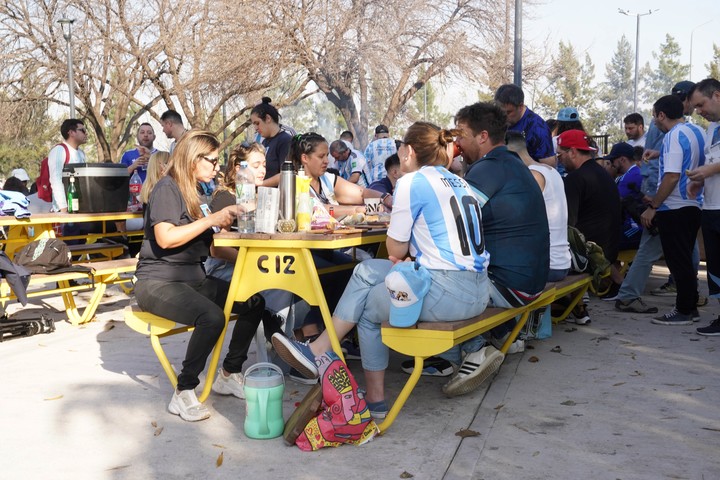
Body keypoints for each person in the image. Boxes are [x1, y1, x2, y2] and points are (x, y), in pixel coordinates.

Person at [271, 122, 492, 418]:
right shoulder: (459, 181)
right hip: (479, 289)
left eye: (400, 146)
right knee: (363, 271)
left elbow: (395, 251)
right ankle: (320, 349)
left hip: (448, 294)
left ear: (409, 151)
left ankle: (371, 397)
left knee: (367, 308)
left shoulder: (411, 182)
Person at [133, 129, 265, 422]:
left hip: (194, 279)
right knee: (212, 317)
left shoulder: (197, 191)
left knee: (254, 302)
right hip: (158, 281)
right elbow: (165, 238)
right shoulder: (168, 188)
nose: (218, 167)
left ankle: (229, 373)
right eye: (213, 161)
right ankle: (183, 391)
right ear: (194, 159)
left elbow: (215, 248)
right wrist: (212, 219)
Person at [453, 102, 550, 366]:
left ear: (482, 136)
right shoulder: (512, 163)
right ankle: (502, 331)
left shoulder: (488, 168)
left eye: (461, 134)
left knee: (429, 283)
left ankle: (473, 351)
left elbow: (452, 221)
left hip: (511, 285)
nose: (457, 141)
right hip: (532, 281)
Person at [640, 95, 705, 326]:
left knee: (678, 262)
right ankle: (690, 306)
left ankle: (683, 310)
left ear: (661, 115)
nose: (654, 122)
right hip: (693, 203)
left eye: (654, 116)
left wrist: (653, 207)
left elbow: (671, 176)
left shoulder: (672, 136)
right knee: (685, 259)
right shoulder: (695, 131)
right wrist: (659, 154)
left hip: (674, 205)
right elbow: (691, 160)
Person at [557, 129, 622, 323]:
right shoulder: (603, 174)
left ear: (573, 152)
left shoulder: (575, 179)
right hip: (609, 249)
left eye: (560, 154)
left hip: (591, 254)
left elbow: (568, 224)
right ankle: (578, 304)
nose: (559, 159)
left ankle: (576, 306)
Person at [688, 78, 720, 335]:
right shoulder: (711, 129)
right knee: (715, 267)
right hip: (710, 207)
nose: (699, 111)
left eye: (701, 105)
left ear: (717, 95)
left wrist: (708, 170)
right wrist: (699, 182)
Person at [600, 142, 644, 300]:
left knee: (600, 247)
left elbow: (612, 202)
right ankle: (615, 282)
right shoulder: (626, 176)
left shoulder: (632, 176)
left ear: (622, 159)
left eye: (613, 160)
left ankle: (620, 284)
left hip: (635, 227)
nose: (611, 164)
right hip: (626, 224)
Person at [494, 84, 555, 166]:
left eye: (508, 112)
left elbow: (549, 166)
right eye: (500, 112)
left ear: (520, 106)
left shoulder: (538, 128)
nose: (503, 117)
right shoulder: (497, 120)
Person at [250, 97, 292, 187]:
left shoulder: (285, 140)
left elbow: (286, 175)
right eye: (254, 124)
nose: (256, 128)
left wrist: (260, 183)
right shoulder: (264, 142)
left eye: (257, 123)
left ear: (268, 118)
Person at [48, 119, 87, 212]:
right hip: (64, 211)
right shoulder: (59, 150)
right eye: (83, 130)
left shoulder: (81, 153)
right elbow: (55, 180)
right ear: (71, 133)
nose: (86, 133)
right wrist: (64, 208)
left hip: (79, 208)